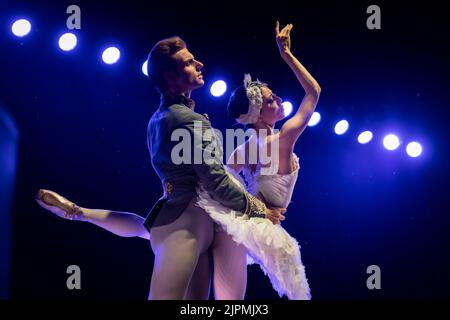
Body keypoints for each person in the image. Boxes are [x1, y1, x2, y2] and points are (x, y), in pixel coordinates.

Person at [36, 35, 285, 300]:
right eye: (189, 63)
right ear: (170, 77)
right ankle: (80, 213)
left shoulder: (159, 119)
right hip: (185, 226)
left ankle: (79, 212)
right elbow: (215, 180)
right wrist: (259, 210)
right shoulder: (188, 120)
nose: (200, 64)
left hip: (178, 217)